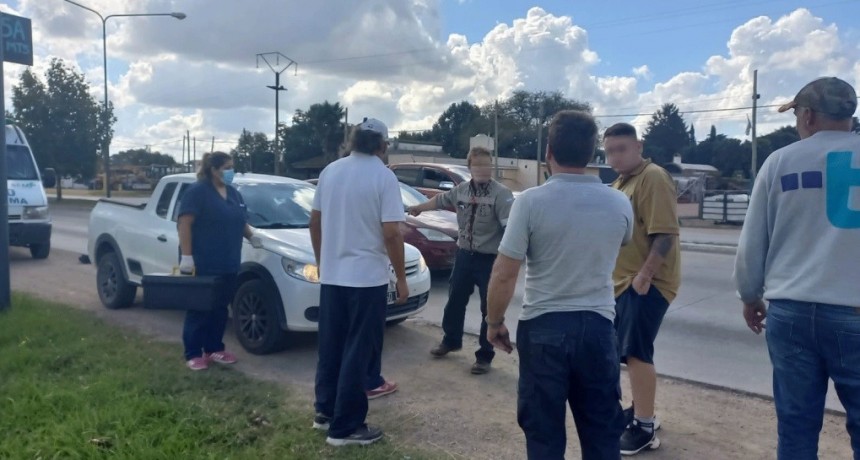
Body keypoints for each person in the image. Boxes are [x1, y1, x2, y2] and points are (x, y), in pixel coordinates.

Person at [487, 110, 633, 459]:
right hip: (598, 327)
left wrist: (494, 323)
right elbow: (624, 241)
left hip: (543, 329)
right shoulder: (618, 201)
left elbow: (504, 273)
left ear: (548, 151)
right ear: (592, 154)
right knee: (601, 433)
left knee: (544, 437)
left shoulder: (531, 203)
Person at [734, 77, 860, 459]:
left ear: (807, 115)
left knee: (796, 426)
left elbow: (753, 240)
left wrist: (750, 294)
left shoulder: (780, 161)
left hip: (791, 312)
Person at [310, 118, 408, 447]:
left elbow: (315, 222)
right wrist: (402, 279)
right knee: (357, 349)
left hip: (334, 276)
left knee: (331, 345)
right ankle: (346, 427)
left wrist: (323, 260)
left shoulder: (331, 172)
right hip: (366, 278)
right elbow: (392, 233)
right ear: (382, 145)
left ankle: (324, 412)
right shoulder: (383, 177)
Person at [604, 122, 680, 455]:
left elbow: (665, 234)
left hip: (646, 282)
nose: (614, 157)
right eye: (608, 151)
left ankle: (645, 427)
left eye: (621, 149)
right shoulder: (622, 183)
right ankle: (640, 411)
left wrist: (645, 276)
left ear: (639, 145)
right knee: (627, 352)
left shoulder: (653, 177)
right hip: (623, 282)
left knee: (637, 352)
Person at [407, 146, 514, 374]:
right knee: (455, 300)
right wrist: (418, 208)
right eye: (478, 165)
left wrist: (507, 259)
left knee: (489, 308)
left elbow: (509, 229)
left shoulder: (501, 194)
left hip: (489, 259)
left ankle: (485, 356)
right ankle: (451, 340)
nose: (483, 169)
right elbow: (439, 201)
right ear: (470, 168)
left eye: (486, 165)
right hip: (464, 255)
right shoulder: (461, 190)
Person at [177, 151, 261, 371]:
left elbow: (239, 220)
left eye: (232, 167)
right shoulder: (197, 192)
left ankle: (214, 348)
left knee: (220, 308)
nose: (230, 171)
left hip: (228, 262)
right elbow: (184, 223)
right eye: (226, 167)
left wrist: (252, 236)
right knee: (199, 308)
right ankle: (193, 353)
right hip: (202, 262)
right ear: (213, 170)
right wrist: (187, 257)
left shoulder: (233, 193)